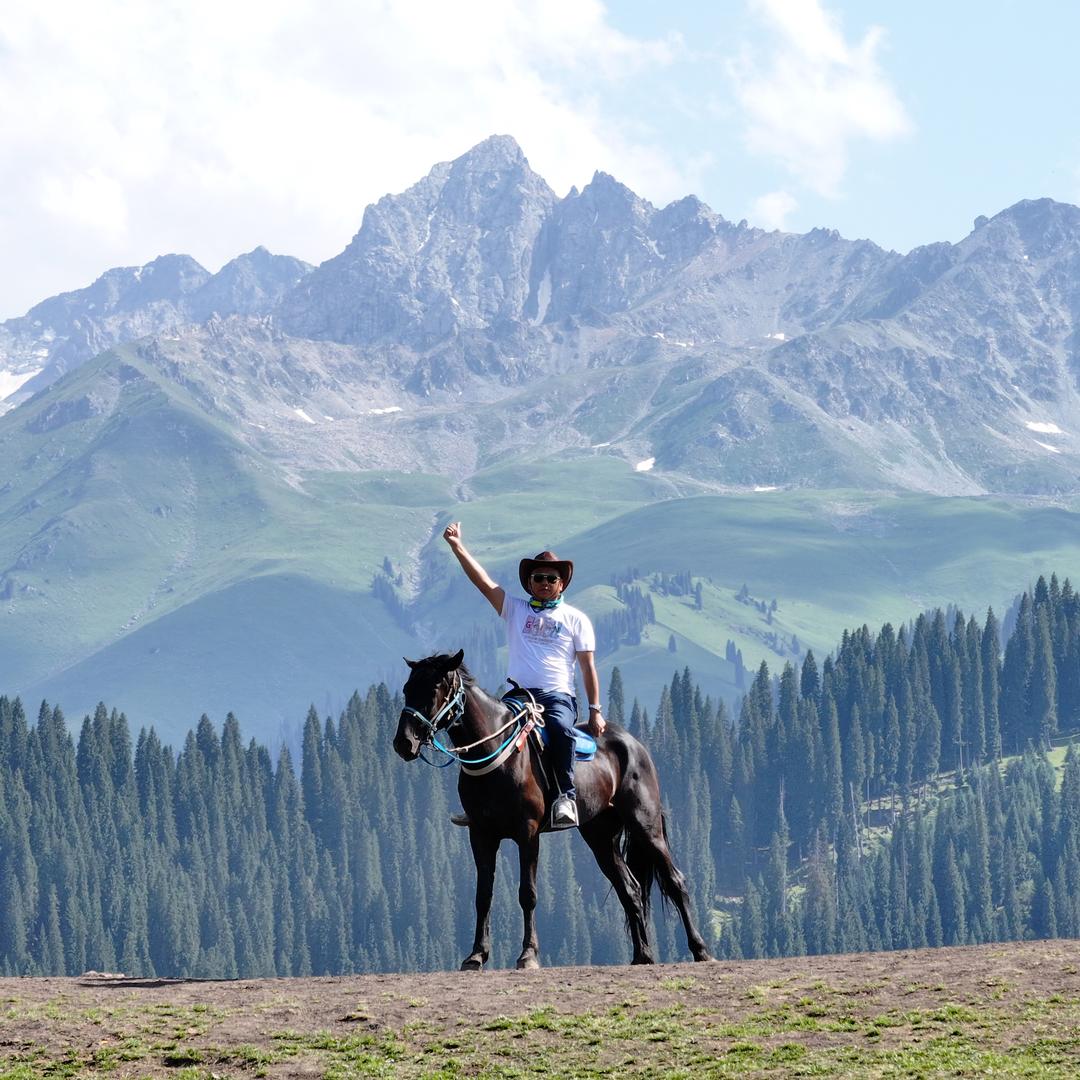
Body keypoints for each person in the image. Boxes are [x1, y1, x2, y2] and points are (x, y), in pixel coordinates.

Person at [442, 521, 605, 829]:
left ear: (561, 584)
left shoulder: (576, 619)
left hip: (557, 697)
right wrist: (457, 546)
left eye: (551, 578)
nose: (544, 582)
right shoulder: (515, 609)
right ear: (530, 583)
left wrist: (595, 710)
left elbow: (587, 667)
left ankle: (565, 797)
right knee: (482, 732)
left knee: (561, 730)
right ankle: (477, 803)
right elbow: (484, 584)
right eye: (538, 577)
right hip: (518, 696)